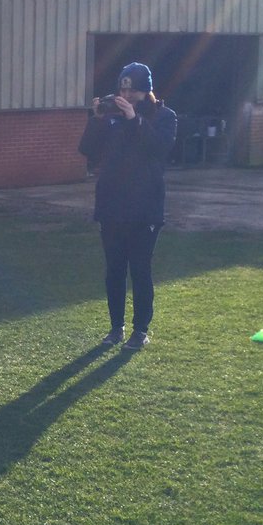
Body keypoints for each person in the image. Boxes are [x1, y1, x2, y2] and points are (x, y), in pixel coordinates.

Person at [78, 61, 177, 351]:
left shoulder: (164, 116)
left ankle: (140, 329)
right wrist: (96, 119)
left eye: (132, 90)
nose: (126, 95)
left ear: (146, 91)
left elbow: (159, 148)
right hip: (111, 205)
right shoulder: (111, 118)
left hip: (145, 207)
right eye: (123, 89)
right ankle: (115, 327)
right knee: (114, 270)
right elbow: (87, 150)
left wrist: (134, 119)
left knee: (141, 270)